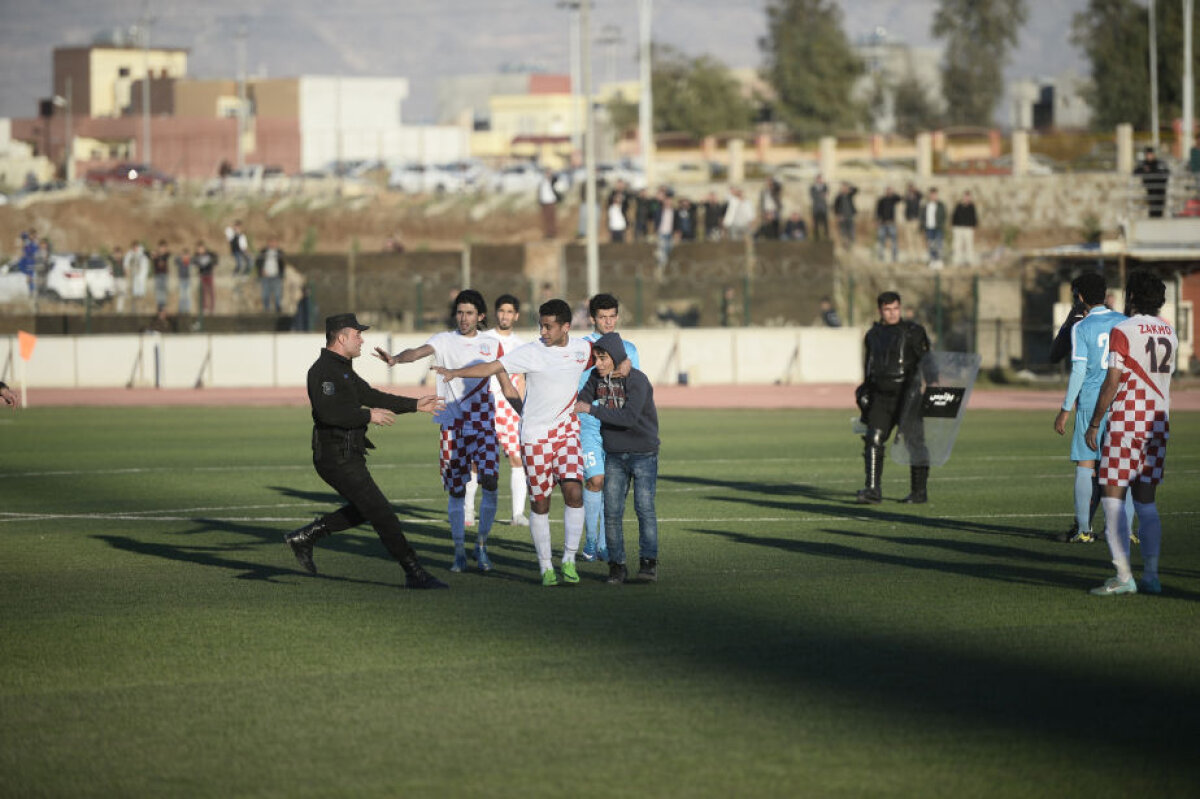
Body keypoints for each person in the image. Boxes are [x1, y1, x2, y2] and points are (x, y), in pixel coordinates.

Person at [433, 299, 595, 587]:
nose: (543, 331)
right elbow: (491, 367)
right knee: (541, 503)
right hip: (534, 436)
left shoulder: (583, 349)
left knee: (574, 492)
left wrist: (623, 365)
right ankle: (546, 566)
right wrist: (456, 372)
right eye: (541, 325)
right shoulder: (531, 352)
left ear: (566, 327)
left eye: (549, 326)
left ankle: (569, 560)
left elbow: (607, 353)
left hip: (567, 432)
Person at [284, 313, 448, 590]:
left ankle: (306, 537)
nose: (362, 339)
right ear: (341, 337)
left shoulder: (342, 367)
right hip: (335, 456)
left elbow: (372, 396)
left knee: (367, 509)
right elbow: (328, 413)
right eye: (357, 334)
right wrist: (367, 416)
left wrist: (416, 405)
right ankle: (414, 572)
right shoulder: (324, 370)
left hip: (347, 454)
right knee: (382, 514)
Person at [374, 290, 513, 574]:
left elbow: (505, 381)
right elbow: (417, 352)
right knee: (457, 489)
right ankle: (459, 552)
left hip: (485, 423)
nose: (463, 318)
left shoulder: (492, 343)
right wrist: (396, 360)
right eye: (460, 312)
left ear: (481, 316)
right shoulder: (443, 339)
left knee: (490, 482)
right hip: (452, 424)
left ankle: (482, 547)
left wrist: (524, 412)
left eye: (469, 313)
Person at [1084, 271, 1177, 596]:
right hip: (1158, 422)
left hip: (1127, 422)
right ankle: (1151, 575)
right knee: (1147, 503)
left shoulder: (1122, 330)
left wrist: (1095, 422)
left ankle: (1124, 577)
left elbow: (1113, 381)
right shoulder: (1170, 332)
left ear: (1133, 296)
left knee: (1113, 499)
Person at [575, 332, 660, 584]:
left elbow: (628, 418)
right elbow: (580, 401)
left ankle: (648, 564)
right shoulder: (595, 377)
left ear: (616, 357)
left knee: (644, 509)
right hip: (614, 454)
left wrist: (591, 409)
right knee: (611, 512)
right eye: (596, 358)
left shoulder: (637, 381)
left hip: (643, 453)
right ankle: (616, 566)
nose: (598, 364)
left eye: (602, 358)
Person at [1053, 273, 1131, 544]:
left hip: (1089, 402)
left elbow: (1078, 370)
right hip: (1120, 402)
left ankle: (1084, 530)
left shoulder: (1082, 327)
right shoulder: (1123, 321)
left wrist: (1065, 408)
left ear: (1081, 297)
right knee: (1122, 466)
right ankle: (1126, 530)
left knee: (1086, 465)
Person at [578, 294, 641, 562]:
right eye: (602, 317)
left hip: (616, 424)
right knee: (596, 480)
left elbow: (635, 386)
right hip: (588, 422)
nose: (608, 321)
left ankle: (603, 544)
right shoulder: (580, 348)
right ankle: (591, 540)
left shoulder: (629, 349)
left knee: (612, 486)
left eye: (612, 316)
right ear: (593, 318)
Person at [855, 291, 932, 504]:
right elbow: (869, 366)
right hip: (881, 395)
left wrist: (932, 385)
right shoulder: (873, 335)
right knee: (873, 439)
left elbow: (927, 361)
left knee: (914, 442)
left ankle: (919, 492)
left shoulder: (914, 332)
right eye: (887, 309)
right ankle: (872, 490)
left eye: (895, 308)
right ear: (880, 310)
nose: (892, 313)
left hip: (908, 395)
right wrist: (865, 391)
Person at [475, 294, 530, 527]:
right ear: (495, 313)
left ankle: (517, 514)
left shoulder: (521, 346)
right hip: (484, 407)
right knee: (475, 462)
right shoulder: (483, 339)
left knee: (517, 459)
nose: (505, 315)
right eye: (501, 310)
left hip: (509, 410)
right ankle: (468, 511)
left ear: (516, 316)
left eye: (510, 311)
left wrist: (524, 410)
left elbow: (523, 381)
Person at [1133, 146, 1169, 218]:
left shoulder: (1159, 163)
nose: (1149, 156)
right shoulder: (1143, 164)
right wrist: (1144, 170)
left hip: (1160, 190)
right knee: (1152, 209)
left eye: (1150, 154)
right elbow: (1135, 172)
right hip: (1150, 190)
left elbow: (1166, 172)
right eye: (1147, 154)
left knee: (1159, 208)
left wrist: (1152, 171)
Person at [255, 238, 286, 313]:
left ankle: (278, 309)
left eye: (274, 242)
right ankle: (266, 309)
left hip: (276, 276)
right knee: (265, 294)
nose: (272, 244)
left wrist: (281, 273)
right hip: (265, 276)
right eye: (270, 242)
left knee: (277, 294)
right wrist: (261, 270)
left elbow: (283, 263)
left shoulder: (280, 252)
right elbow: (258, 262)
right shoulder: (263, 252)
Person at [950, 191, 978, 267]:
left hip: (968, 229)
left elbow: (974, 218)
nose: (966, 198)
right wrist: (954, 226)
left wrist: (973, 226)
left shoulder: (972, 207)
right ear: (963, 197)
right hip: (958, 228)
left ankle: (970, 260)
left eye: (968, 197)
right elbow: (954, 216)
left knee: (969, 245)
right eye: (965, 196)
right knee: (957, 245)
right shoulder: (958, 206)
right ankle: (956, 261)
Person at [921, 188, 947, 267]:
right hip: (929, 227)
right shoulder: (926, 205)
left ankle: (939, 260)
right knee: (931, 244)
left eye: (934, 195)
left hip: (938, 227)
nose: (933, 196)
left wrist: (941, 224)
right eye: (931, 195)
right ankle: (933, 260)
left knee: (939, 244)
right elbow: (923, 216)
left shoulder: (940, 205)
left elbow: (944, 215)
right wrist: (923, 226)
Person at [875, 186, 900, 262]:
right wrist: (877, 221)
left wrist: (893, 193)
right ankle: (881, 257)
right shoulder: (881, 200)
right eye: (888, 191)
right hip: (882, 224)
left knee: (894, 241)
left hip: (891, 223)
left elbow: (899, 198)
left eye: (890, 191)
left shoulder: (893, 199)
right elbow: (877, 211)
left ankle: (894, 258)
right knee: (881, 241)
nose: (889, 192)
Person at [192, 241, 218, 315]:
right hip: (202, 275)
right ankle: (204, 308)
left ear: (204, 248)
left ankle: (212, 308)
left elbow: (215, 257)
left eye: (200, 249)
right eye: (198, 249)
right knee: (203, 292)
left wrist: (214, 263)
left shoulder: (209, 254)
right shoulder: (197, 256)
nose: (199, 250)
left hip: (209, 274)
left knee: (211, 292)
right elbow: (194, 262)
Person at [537, 169, 561, 239]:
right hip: (544, 202)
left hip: (551, 202)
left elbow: (557, 184)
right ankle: (548, 233)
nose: (547, 175)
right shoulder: (542, 182)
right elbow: (540, 191)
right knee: (546, 219)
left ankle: (552, 233)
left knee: (551, 218)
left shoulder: (553, 181)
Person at [833, 182, 858, 249]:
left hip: (850, 216)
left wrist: (850, 187)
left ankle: (851, 244)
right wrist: (838, 215)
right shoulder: (839, 196)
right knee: (843, 232)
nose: (845, 189)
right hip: (842, 217)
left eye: (846, 188)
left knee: (851, 231)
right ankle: (845, 245)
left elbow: (856, 190)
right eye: (843, 188)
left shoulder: (850, 195)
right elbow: (835, 207)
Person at [150, 240, 171, 311]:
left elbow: (167, 256)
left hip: (164, 275)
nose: (162, 249)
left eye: (164, 248)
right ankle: (160, 306)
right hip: (157, 275)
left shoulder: (166, 255)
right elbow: (147, 254)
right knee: (158, 291)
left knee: (163, 291)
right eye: (161, 248)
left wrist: (158, 256)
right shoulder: (156, 255)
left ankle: (163, 307)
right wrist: (154, 254)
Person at [810, 175, 830, 241]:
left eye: (820, 179)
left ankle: (826, 236)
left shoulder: (825, 187)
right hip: (816, 208)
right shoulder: (813, 187)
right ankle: (816, 237)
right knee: (816, 223)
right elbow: (813, 196)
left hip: (823, 208)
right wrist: (821, 195)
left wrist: (823, 195)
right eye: (818, 179)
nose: (819, 180)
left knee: (825, 223)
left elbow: (826, 195)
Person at [174, 246, 192, 314]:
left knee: (188, 295)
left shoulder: (189, 261)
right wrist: (180, 256)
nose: (185, 256)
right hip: (181, 279)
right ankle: (181, 310)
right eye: (184, 255)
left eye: (186, 255)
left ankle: (187, 310)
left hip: (187, 279)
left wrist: (188, 258)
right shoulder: (180, 261)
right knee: (181, 295)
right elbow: (175, 261)